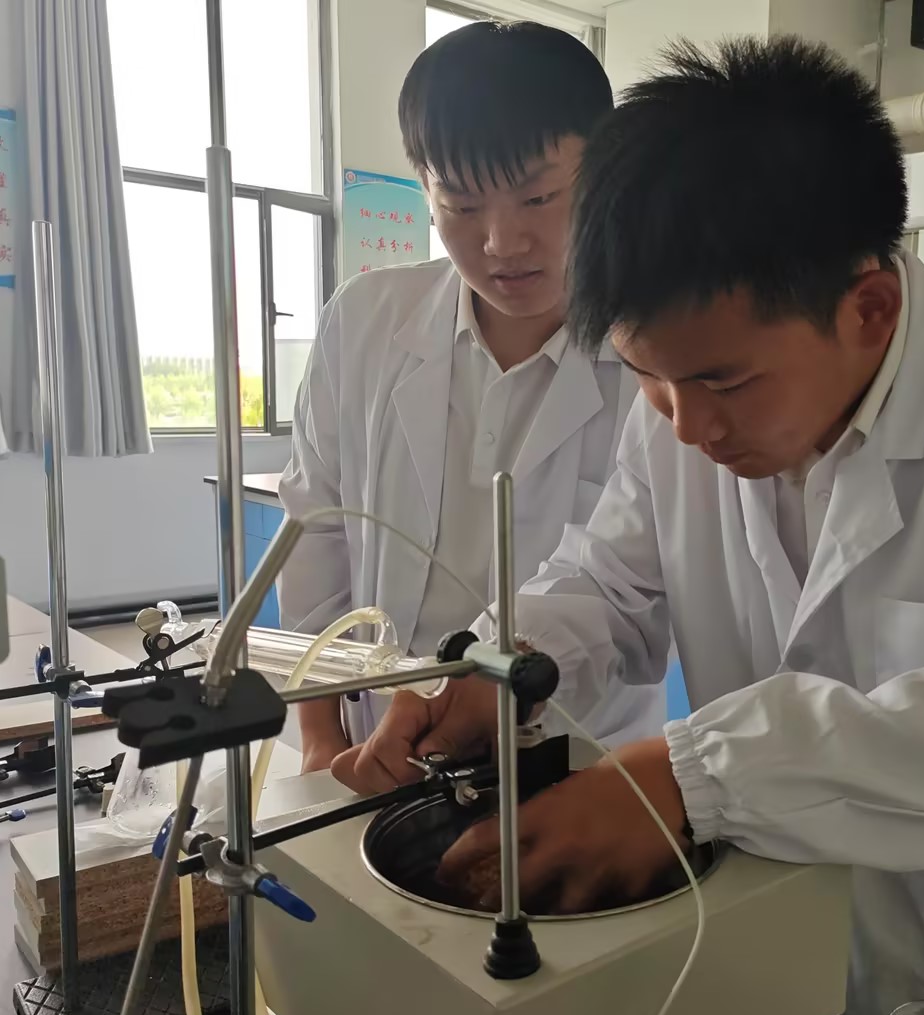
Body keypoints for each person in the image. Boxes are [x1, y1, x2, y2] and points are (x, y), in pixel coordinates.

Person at [335, 37, 924, 1015]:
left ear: (870, 308)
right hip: (769, 970)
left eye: (724, 383)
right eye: (646, 379)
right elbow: (607, 583)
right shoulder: (683, 399)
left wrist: (692, 778)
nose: (684, 426)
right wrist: (503, 667)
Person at [278, 21, 663, 773]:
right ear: (424, 190)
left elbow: (628, 595)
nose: (501, 243)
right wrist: (323, 739)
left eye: (538, 197)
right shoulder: (365, 321)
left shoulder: (656, 356)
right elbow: (315, 537)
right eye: (460, 205)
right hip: (371, 746)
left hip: (573, 765)